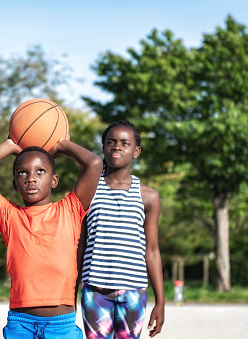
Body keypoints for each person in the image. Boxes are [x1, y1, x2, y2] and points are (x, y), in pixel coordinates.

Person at [0, 136, 102, 339]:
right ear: (15, 184)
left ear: (54, 180)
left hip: (62, 326)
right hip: (21, 325)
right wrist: (10, 146)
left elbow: (94, 163)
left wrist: (62, 146)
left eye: (41, 171)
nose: (31, 178)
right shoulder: (9, 216)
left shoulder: (70, 210)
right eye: (23, 172)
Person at [78, 120, 165, 339]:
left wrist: (161, 301)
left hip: (133, 291)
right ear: (103, 148)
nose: (117, 146)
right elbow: (81, 243)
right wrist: (71, 288)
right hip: (95, 290)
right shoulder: (88, 191)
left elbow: (152, 250)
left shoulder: (149, 196)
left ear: (136, 151)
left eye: (124, 143)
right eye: (111, 142)